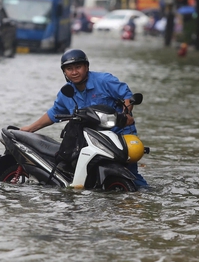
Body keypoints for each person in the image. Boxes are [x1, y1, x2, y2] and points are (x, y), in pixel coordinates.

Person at [20, 49, 148, 187]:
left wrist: (126, 114)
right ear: (64, 72)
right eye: (69, 69)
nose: (74, 72)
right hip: (92, 140)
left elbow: (127, 96)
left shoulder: (105, 80)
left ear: (86, 67)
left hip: (120, 134)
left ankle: (142, 197)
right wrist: (30, 128)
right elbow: (53, 113)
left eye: (78, 67)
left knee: (133, 176)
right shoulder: (66, 93)